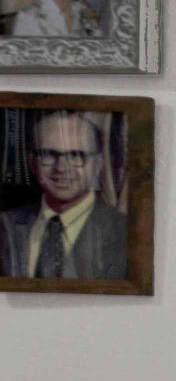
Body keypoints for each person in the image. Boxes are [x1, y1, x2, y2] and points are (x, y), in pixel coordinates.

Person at [6, 110, 129, 281]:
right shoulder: (5, 226)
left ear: (98, 164)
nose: (62, 167)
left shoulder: (127, 233)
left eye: (76, 155)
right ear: (32, 162)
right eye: (48, 154)